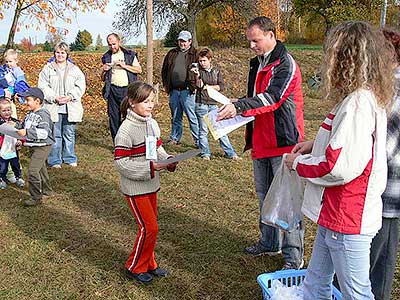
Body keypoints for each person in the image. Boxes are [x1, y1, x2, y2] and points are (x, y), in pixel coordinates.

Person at [285, 21, 394, 299]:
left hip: (347, 216)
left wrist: (297, 164)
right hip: (336, 215)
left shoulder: (358, 103)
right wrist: (315, 144)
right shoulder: (364, 97)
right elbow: (349, 147)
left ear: (347, 57)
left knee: (357, 293)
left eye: (333, 53)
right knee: (315, 284)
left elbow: (338, 166)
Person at [218, 16, 305, 270]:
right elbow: (253, 98)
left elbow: (272, 98)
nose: (252, 46)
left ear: (270, 35)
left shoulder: (286, 64)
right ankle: (269, 242)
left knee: (287, 202)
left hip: (284, 142)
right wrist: (234, 104)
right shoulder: (256, 64)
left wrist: (239, 107)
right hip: (261, 142)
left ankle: (293, 256)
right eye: (250, 41)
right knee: (264, 197)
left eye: (255, 41)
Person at [114, 81, 177, 284]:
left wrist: (167, 159)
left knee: (152, 226)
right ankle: (134, 267)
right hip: (135, 187)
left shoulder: (151, 122)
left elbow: (156, 148)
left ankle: (150, 264)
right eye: (145, 101)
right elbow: (122, 164)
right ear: (132, 102)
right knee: (149, 228)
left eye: (152, 101)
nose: (150, 105)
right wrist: (151, 168)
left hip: (151, 184)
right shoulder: (125, 130)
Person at [369, 28, 400, 300]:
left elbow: (384, 147)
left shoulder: (394, 90)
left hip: (385, 188)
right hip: (387, 188)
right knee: (383, 257)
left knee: (374, 261)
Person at [38, 42, 86, 168]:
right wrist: (54, 97)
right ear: (54, 54)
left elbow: (80, 85)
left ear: (67, 54)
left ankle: (69, 157)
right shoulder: (47, 68)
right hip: (53, 106)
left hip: (70, 107)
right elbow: (43, 86)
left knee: (69, 134)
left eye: (62, 52)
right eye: (58, 52)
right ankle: (54, 160)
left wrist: (70, 96)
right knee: (55, 134)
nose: (60, 55)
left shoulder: (75, 69)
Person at [192, 47, 241, 161]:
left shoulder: (216, 71)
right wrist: (197, 75)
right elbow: (199, 86)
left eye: (204, 60)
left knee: (220, 129)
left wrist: (209, 87)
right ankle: (205, 153)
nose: (202, 63)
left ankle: (231, 153)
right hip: (201, 104)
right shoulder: (198, 71)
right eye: (200, 61)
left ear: (210, 60)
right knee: (203, 131)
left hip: (213, 104)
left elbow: (221, 86)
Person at [17, 87, 55, 207]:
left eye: (28, 100)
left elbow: (44, 133)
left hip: (43, 146)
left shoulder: (43, 115)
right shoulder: (30, 114)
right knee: (40, 168)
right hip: (34, 145)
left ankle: (36, 197)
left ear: (37, 101)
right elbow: (23, 125)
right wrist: (15, 125)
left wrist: (27, 132)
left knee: (33, 170)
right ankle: (47, 191)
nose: (25, 102)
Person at [102, 33, 142, 143]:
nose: (112, 47)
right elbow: (103, 78)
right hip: (112, 90)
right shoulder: (106, 56)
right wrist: (104, 70)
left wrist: (124, 66)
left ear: (119, 42)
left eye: (114, 44)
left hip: (128, 90)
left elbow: (139, 70)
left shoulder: (129, 55)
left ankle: (130, 142)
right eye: (109, 45)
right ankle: (117, 144)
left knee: (129, 117)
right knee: (114, 118)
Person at [161, 30, 199, 146]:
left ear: (190, 42)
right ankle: (175, 138)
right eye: (180, 41)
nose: (182, 43)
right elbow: (164, 70)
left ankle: (198, 141)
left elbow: (201, 71)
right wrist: (166, 85)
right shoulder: (172, 53)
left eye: (184, 41)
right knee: (175, 116)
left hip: (188, 91)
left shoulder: (195, 54)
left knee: (192, 117)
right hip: (174, 91)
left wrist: (196, 85)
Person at [0, 98, 24, 189]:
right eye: (4, 110)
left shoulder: (16, 122)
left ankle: (18, 177)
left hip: (13, 148)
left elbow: (21, 133)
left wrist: (20, 141)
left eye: (9, 110)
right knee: (3, 166)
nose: (7, 112)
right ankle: (2, 179)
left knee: (15, 164)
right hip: (3, 149)